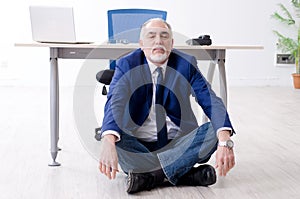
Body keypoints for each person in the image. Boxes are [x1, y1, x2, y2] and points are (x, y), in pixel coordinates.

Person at [98, 18, 235, 194]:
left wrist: (225, 141)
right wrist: (108, 139)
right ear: (141, 43)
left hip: (178, 145)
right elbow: (114, 102)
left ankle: (150, 177)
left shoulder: (186, 64)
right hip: (139, 145)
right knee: (115, 138)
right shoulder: (127, 64)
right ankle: (182, 174)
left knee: (213, 131)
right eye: (151, 36)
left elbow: (210, 100)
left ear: (171, 43)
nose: (158, 41)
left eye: (164, 36)